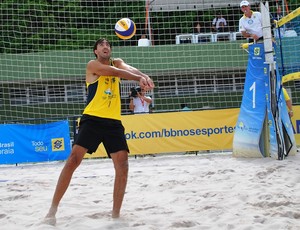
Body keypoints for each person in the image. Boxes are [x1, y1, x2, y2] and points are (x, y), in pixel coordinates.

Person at [44, 38, 155, 225]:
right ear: (95, 51)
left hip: (113, 122)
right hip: (92, 119)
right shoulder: (93, 65)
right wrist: (138, 78)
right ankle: (52, 210)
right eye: (102, 45)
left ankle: (115, 215)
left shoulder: (117, 62)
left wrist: (144, 75)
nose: (106, 47)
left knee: (123, 165)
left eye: (108, 45)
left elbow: (127, 68)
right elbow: (115, 72)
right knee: (73, 160)